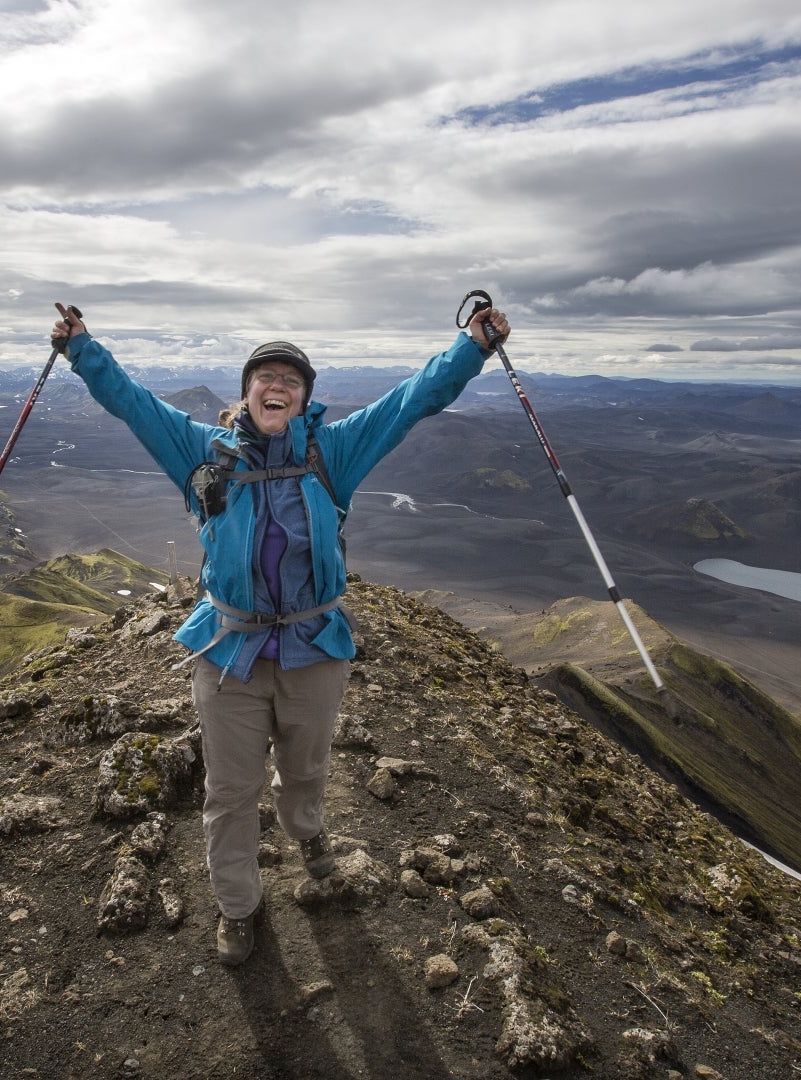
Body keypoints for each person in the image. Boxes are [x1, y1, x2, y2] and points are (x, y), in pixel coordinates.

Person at [49, 300, 510, 965]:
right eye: (265, 376)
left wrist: (473, 346)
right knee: (230, 791)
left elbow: (411, 402)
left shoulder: (334, 451)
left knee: (306, 769)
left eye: (291, 380)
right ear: (245, 392)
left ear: (303, 400)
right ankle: (238, 908)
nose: (277, 385)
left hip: (314, 647)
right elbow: (133, 404)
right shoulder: (203, 452)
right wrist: (82, 348)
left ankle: (309, 833)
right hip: (229, 651)